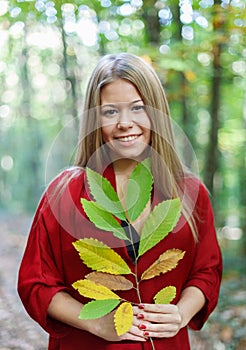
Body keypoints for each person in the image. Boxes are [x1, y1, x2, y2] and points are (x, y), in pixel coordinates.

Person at [18, 52, 222, 350]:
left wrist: (181, 313)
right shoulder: (64, 194)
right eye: (110, 112)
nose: (125, 123)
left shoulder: (190, 192)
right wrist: (94, 321)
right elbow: (35, 283)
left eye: (137, 108)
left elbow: (207, 271)